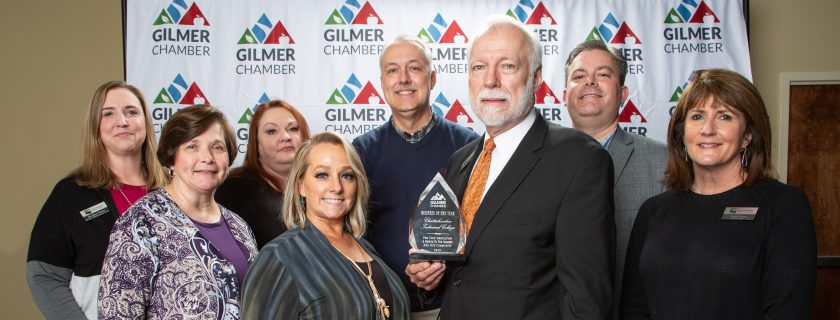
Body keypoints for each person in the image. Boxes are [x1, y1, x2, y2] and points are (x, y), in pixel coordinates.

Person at [407, 15, 614, 319]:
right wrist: (430, 275)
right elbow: (462, 276)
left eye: (507, 66)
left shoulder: (579, 160)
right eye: (479, 67)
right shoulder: (461, 161)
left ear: (536, 77)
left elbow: (586, 302)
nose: (490, 81)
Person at [621, 69, 817, 319]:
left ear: (747, 135)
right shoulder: (653, 211)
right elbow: (634, 307)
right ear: (682, 133)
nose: (708, 129)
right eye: (697, 116)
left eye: (724, 117)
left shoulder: (783, 206)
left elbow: (788, 311)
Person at [352, 35, 479, 319]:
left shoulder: (468, 147)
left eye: (414, 68)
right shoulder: (360, 152)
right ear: (382, 82)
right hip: (381, 307)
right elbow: (348, 232)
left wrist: (440, 266)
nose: (404, 79)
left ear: (432, 78)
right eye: (393, 70)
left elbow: (483, 227)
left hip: (450, 306)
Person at [98, 105, 258, 319]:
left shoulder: (239, 226)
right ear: (172, 158)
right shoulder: (139, 224)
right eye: (192, 146)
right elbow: (116, 313)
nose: (207, 157)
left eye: (217, 147)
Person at [27, 81, 167, 320]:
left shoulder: (173, 191)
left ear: (145, 122)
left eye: (132, 112)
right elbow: (43, 276)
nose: (122, 121)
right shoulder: (71, 194)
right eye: (108, 114)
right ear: (96, 126)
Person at [241, 132, 410, 320]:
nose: (336, 187)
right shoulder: (279, 257)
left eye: (346, 175)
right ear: (301, 185)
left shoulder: (366, 247)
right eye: (322, 175)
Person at [563, 40, 667, 318]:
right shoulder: (536, 163)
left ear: (622, 93)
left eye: (603, 74)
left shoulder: (666, 163)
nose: (590, 83)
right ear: (564, 94)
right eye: (579, 76)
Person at [216, 99, 311, 248]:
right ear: (256, 144)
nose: (286, 136)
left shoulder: (321, 185)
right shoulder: (235, 189)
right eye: (272, 131)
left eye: (293, 129)